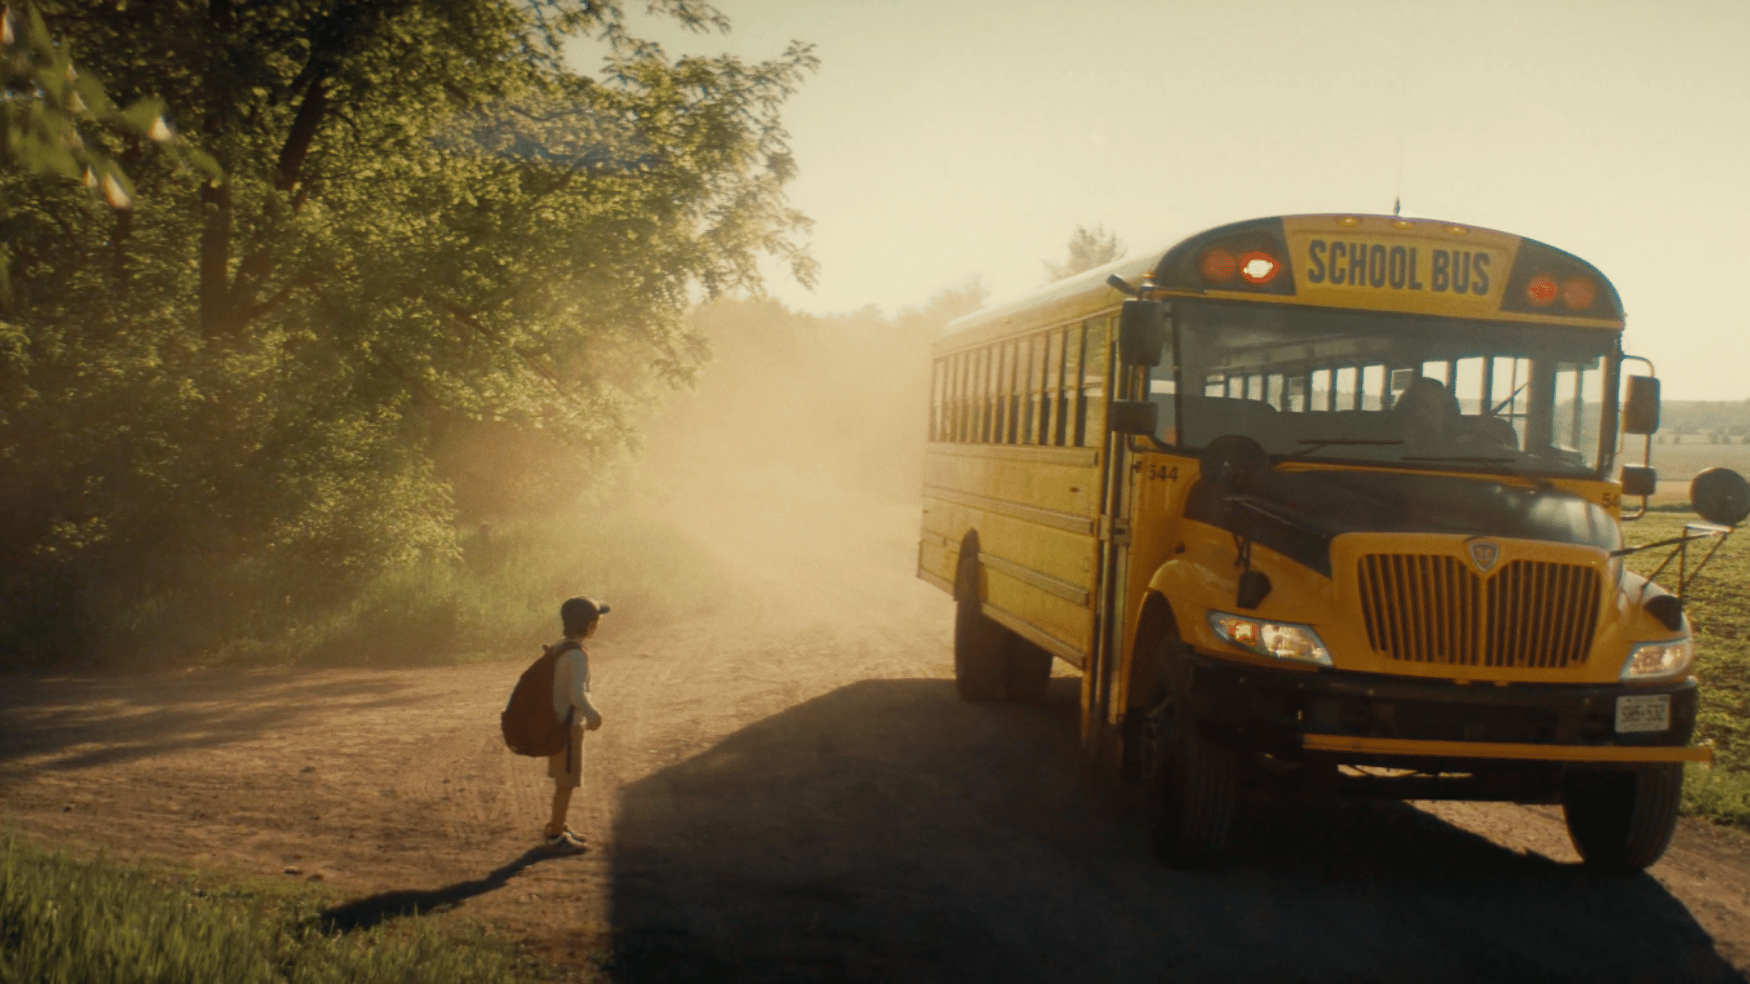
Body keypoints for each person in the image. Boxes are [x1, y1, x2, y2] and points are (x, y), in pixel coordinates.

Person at [544, 596, 607, 852]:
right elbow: (576, 694)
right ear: (591, 625)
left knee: (564, 779)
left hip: (556, 721)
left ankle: (559, 825)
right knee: (566, 782)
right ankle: (556, 834)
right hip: (568, 726)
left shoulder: (561, 647)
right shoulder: (577, 656)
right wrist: (593, 714)